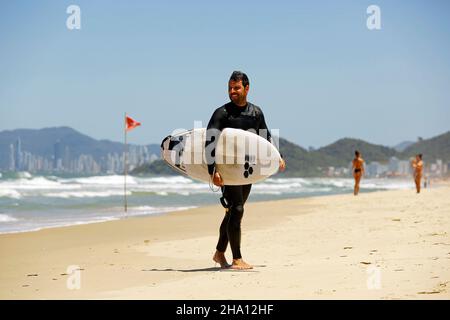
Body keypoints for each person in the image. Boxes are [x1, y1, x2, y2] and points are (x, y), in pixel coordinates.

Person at [205, 71, 285, 270]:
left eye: (236, 88)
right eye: (230, 88)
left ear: (247, 88)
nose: (232, 91)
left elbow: (265, 136)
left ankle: (219, 253)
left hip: (246, 170)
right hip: (227, 170)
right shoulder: (222, 113)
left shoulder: (255, 113)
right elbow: (209, 141)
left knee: (232, 212)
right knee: (237, 209)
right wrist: (212, 171)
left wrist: (277, 156)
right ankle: (237, 258)